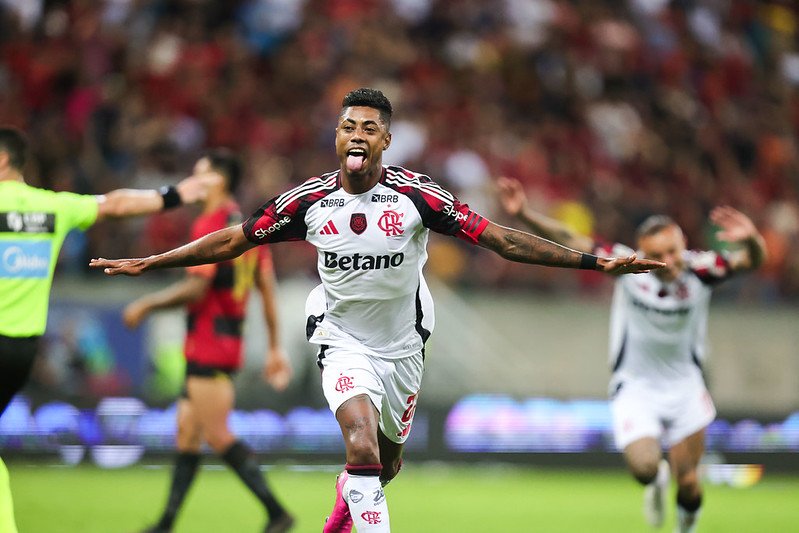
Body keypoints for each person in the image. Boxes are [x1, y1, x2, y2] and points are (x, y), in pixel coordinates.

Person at [90, 88, 663, 533]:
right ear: (337, 138)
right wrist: (153, 261)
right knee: (360, 448)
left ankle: (347, 502)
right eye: (348, 126)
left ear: (386, 140)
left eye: (369, 128)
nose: (357, 135)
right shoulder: (308, 202)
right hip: (339, 337)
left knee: (382, 468)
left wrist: (594, 263)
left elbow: (501, 240)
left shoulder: (417, 196)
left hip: (403, 345)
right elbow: (232, 240)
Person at [496, 176, 767, 533]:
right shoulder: (629, 266)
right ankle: (656, 481)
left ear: (683, 244)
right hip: (636, 386)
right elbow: (571, 238)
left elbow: (751, 261)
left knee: (689, 484)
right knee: (644, 469)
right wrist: (526, 214)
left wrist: (752, 239)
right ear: (642, 250)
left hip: (686, 385)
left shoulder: (702, 269)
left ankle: (685, 527)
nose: (667, 262)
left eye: (673, 251)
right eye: (658, 255)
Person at [0, 125, 213, 533]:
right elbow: (115, 204)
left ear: (3, 159)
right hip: (22, 348)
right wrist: (175, 195)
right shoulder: (52, 206)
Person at [122, 150, 294, 533]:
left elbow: (197, 288)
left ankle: (277, 513)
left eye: (199, 174)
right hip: (224, 339)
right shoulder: (249, 226)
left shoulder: (212, 224)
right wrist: (274, 347)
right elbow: (267, 288)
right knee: (187, 432)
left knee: (217, 434)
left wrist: (147, 304)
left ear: (219, 180)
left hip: (209, 342)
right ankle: (166, 523)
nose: (192, 181)